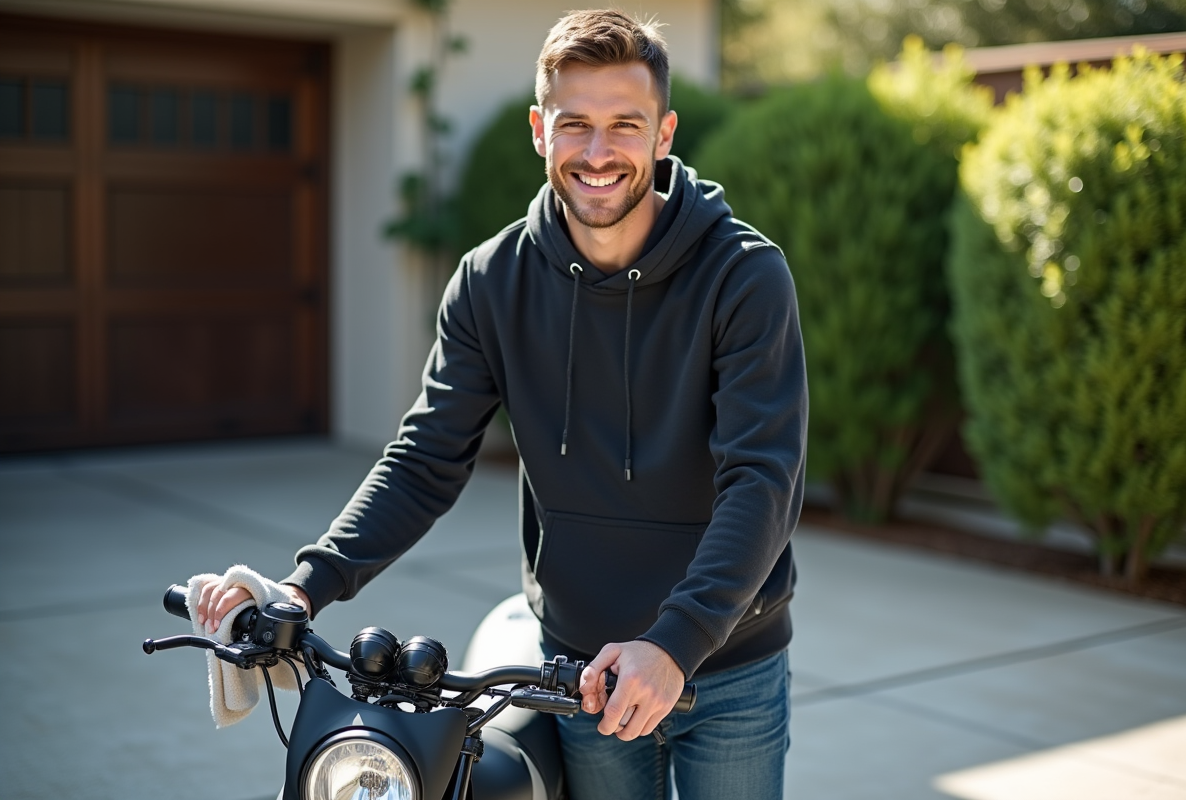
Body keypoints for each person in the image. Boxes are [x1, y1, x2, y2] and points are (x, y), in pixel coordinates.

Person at [198, 9, 807, 799]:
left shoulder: (744, 277)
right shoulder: (491, 282)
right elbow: (425, 459)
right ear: (539, 130)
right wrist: (306, 584)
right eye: (574, 124)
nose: (598, 152)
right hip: (581, 675)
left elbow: (761, 481)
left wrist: (676, 642)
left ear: (663, 135)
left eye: (625, 125)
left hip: (728, 668)